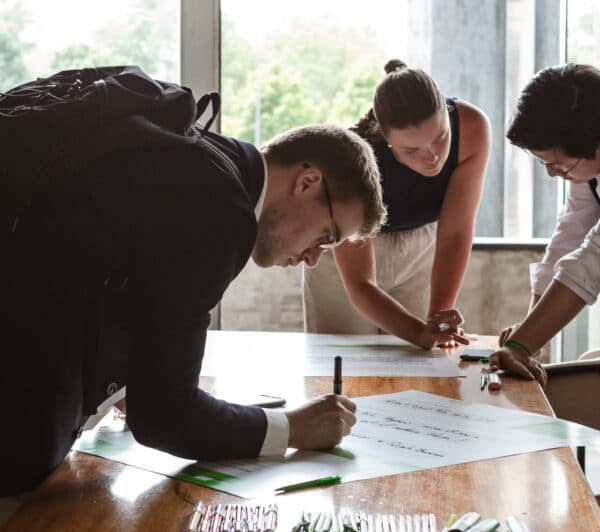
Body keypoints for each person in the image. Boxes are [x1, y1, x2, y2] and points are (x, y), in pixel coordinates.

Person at [0, 112, 386, 495]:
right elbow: (164, 417)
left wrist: (132, 381)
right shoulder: (220, 211)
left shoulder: (201, 159)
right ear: (307, 182)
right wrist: (294, 428)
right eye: (326, 235)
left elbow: (100, 261)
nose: (314, 258)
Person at [303, 60, 490, 349]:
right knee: (342, 363)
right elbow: (360, 284)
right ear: (384, 137)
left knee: (417, 362)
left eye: (440, 138)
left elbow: (455, 233)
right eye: (411, 149)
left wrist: (437, 323)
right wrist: (417, 332)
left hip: (419, 248)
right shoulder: (353, 159)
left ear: (446, 111)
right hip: (346, 256)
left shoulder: (472, 126)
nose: (432, 157)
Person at [490, 64, 600, 385]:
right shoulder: (587, 168)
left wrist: (523, 344)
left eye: (559, 166)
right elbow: (569, 236)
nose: (552, 174)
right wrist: (526, 333)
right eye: (544, 163)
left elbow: (591, 263)